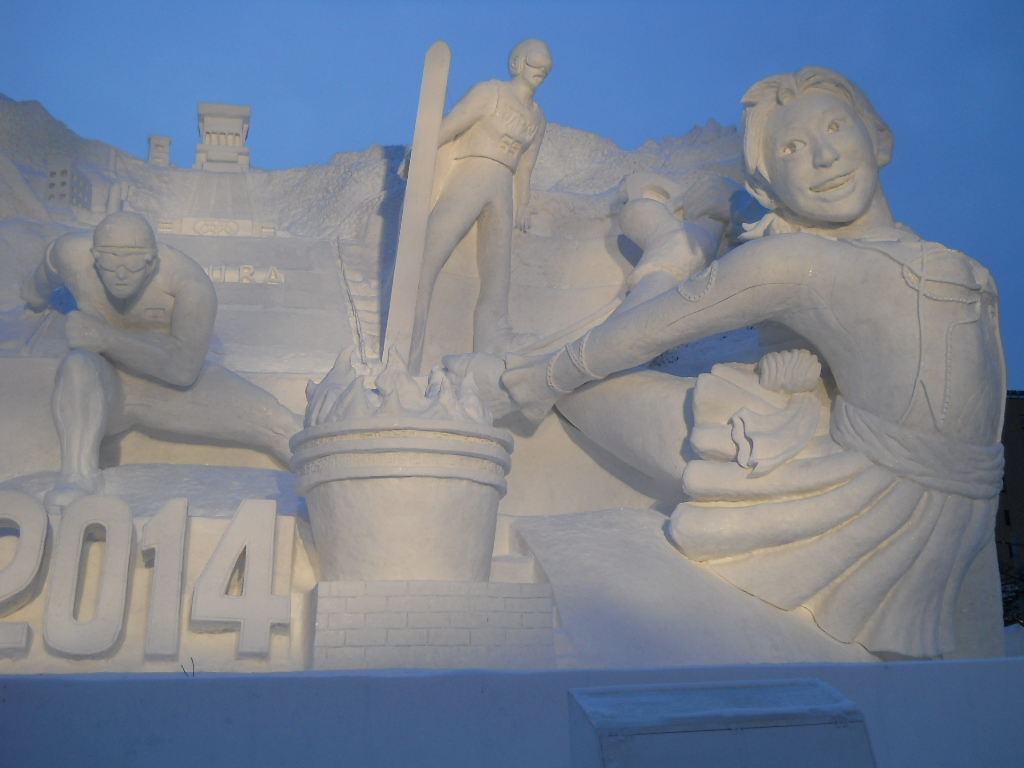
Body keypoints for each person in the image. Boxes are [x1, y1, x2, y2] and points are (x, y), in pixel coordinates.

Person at [450, 67, 1005, 658]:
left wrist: (803, 367)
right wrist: (537, 380)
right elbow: (647, 331)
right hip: (829, 492)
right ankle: (646, 264)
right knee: (592, 391)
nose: (822, 157)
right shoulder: (794, 263)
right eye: (791, 148)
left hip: (949, 510)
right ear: (768, 190)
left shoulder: (968, 273)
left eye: (835, 128)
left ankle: (666, 248)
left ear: (880, 139)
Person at [22, 211, 302, 512]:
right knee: (77, 365)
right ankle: (77, 477)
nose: (120, 274)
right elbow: (45, 273)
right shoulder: (71, 254)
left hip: (167, 387)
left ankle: (327, 466)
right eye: (110, 263)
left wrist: (106, 338)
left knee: (277, 423)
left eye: (132, 264)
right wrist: (35, 296)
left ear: (151, 261)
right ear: (94, 257)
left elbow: (184, 369)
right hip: (105, 383)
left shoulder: (188, 283)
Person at [408, 39, 551, 372]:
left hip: (503, 186)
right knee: (431, 250)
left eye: (546, 68)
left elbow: (525, 168)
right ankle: (410, 323)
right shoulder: (491, 92)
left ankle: (493, 339)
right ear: (518, 62)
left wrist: (523, 203)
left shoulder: (538, 118)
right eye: (535, 63)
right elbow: (450, 126)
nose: (540, 72)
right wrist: (420, 153)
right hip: (471, 173)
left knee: (497, 270)